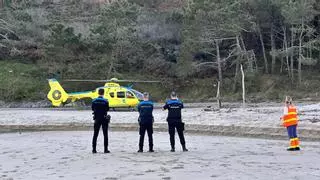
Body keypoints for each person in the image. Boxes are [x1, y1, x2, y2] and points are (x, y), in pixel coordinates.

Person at [92, 88, 110, 154]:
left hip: (97, 118)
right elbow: (107, 109)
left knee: (95, 134)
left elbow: (92, 108)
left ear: (98, 93)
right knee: (105, 134)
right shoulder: (106, 101)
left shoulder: (94, 101)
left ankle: (94, 149)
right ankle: (105, 149)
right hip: (104, 118)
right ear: (103, 93)